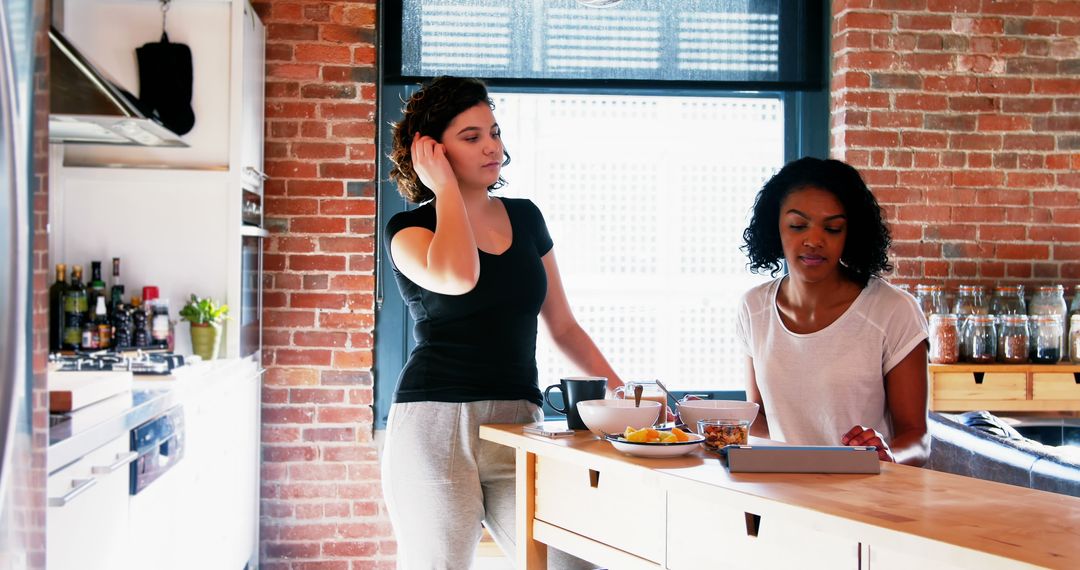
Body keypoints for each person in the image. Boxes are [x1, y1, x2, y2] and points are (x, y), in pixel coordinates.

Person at [380, 76, 621, 569]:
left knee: (571, 564)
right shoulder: (408, 230)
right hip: (436, 424)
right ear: (433, 151)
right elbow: (459, 275)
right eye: (471, 137)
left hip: (519, 422)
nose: (492, 146)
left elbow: (564, 326)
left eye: (493, 131)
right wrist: (444, 189)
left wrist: (627, 394)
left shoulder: (527, 217)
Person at [737, 157, 929, 466]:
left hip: (863, 502)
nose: (814, 240)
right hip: (784, 502)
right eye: (798, 226)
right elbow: (758, 417)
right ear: (775, 227)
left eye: (833, 228)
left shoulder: (892, 310)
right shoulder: (754, 307)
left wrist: (888, 455)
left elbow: (917, 437)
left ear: (850, 233)